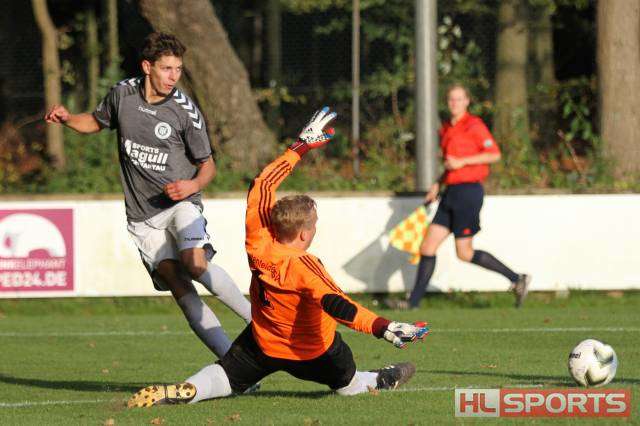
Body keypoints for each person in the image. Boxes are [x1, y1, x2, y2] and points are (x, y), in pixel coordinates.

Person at [127, 107, 430, 408]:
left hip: (264, 344)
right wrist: (383, 327)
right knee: (348, 384)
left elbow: (262, 184)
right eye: (314, 224)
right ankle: (380, 379)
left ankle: (191, 389)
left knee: (225, 376)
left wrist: (300, 146)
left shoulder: (258, 242)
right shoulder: (305, 266)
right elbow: (339, 305)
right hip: (314, 353)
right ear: (304, 234)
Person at [44, 32, 251, 358]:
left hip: (181, 204)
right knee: (177, 282)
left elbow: (208, 165)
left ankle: (258, 322)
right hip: (142, 215)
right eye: (167, 68)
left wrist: (192, 186)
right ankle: (232, 362)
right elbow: (95, 122)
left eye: (178, 69)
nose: (174, 76)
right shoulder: (122, 94)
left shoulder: (185, 111)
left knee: (194, 263)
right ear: (147, 67)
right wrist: (68, 119)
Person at [387, 84, 530, 310]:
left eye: (459, 99)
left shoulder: (474, 125)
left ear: (467, 101)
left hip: (468, 193)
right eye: (451, 99)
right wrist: (438, 183)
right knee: (427, 247)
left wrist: (463, 162)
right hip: (450, 193)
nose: (454, 103)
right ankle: (412, 303)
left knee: (464, 253)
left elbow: (494, 154)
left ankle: (517, 278)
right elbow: (450, 164)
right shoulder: (446, 128)